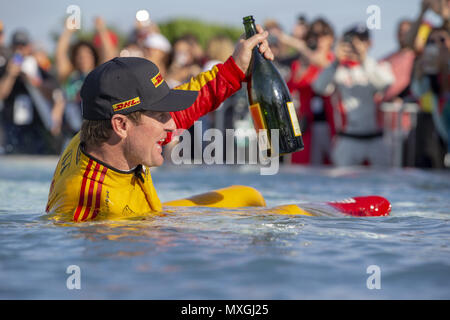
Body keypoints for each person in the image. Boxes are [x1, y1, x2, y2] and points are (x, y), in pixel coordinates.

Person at [45, 25, 274, 222]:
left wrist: (237, 67)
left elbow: (190, 105)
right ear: (121, 125)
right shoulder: (92, 207)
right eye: (161, 115)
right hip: (131, 227)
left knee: (249, 195)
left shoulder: (108, 136)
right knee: (296, 213)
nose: (172, 127)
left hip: (144, 215)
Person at [313, 24, 394, 167]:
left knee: (382, 185)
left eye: (361, 41)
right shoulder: (339, 69)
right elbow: (319, 87)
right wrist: (336, 61)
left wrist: (364, 58)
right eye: (352, 41)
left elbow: (386, 83)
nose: (356, 45)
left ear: (370, 43)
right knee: (343, 184)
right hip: (348, 139)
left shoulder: (377, 66)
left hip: (375, 139)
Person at [276, 18, 336, 165]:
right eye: (315, 35)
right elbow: (292, 86)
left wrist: (297, 44)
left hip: (331, 125)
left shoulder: (333, 61)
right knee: (304, 167)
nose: (319, 40)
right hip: (307, 125)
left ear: (331, 38)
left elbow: (325, 64)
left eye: (323, 35)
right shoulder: (301, 63)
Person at [0, 30, 64, 154]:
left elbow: (55, 92)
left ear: (29, 47)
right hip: (11, 127)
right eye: (16, 47)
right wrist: (10, 75)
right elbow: (2, 94)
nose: (19, 50)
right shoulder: (5, 69)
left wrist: (32, 80)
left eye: (22, 46)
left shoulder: (36, 68)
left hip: (36, 127)